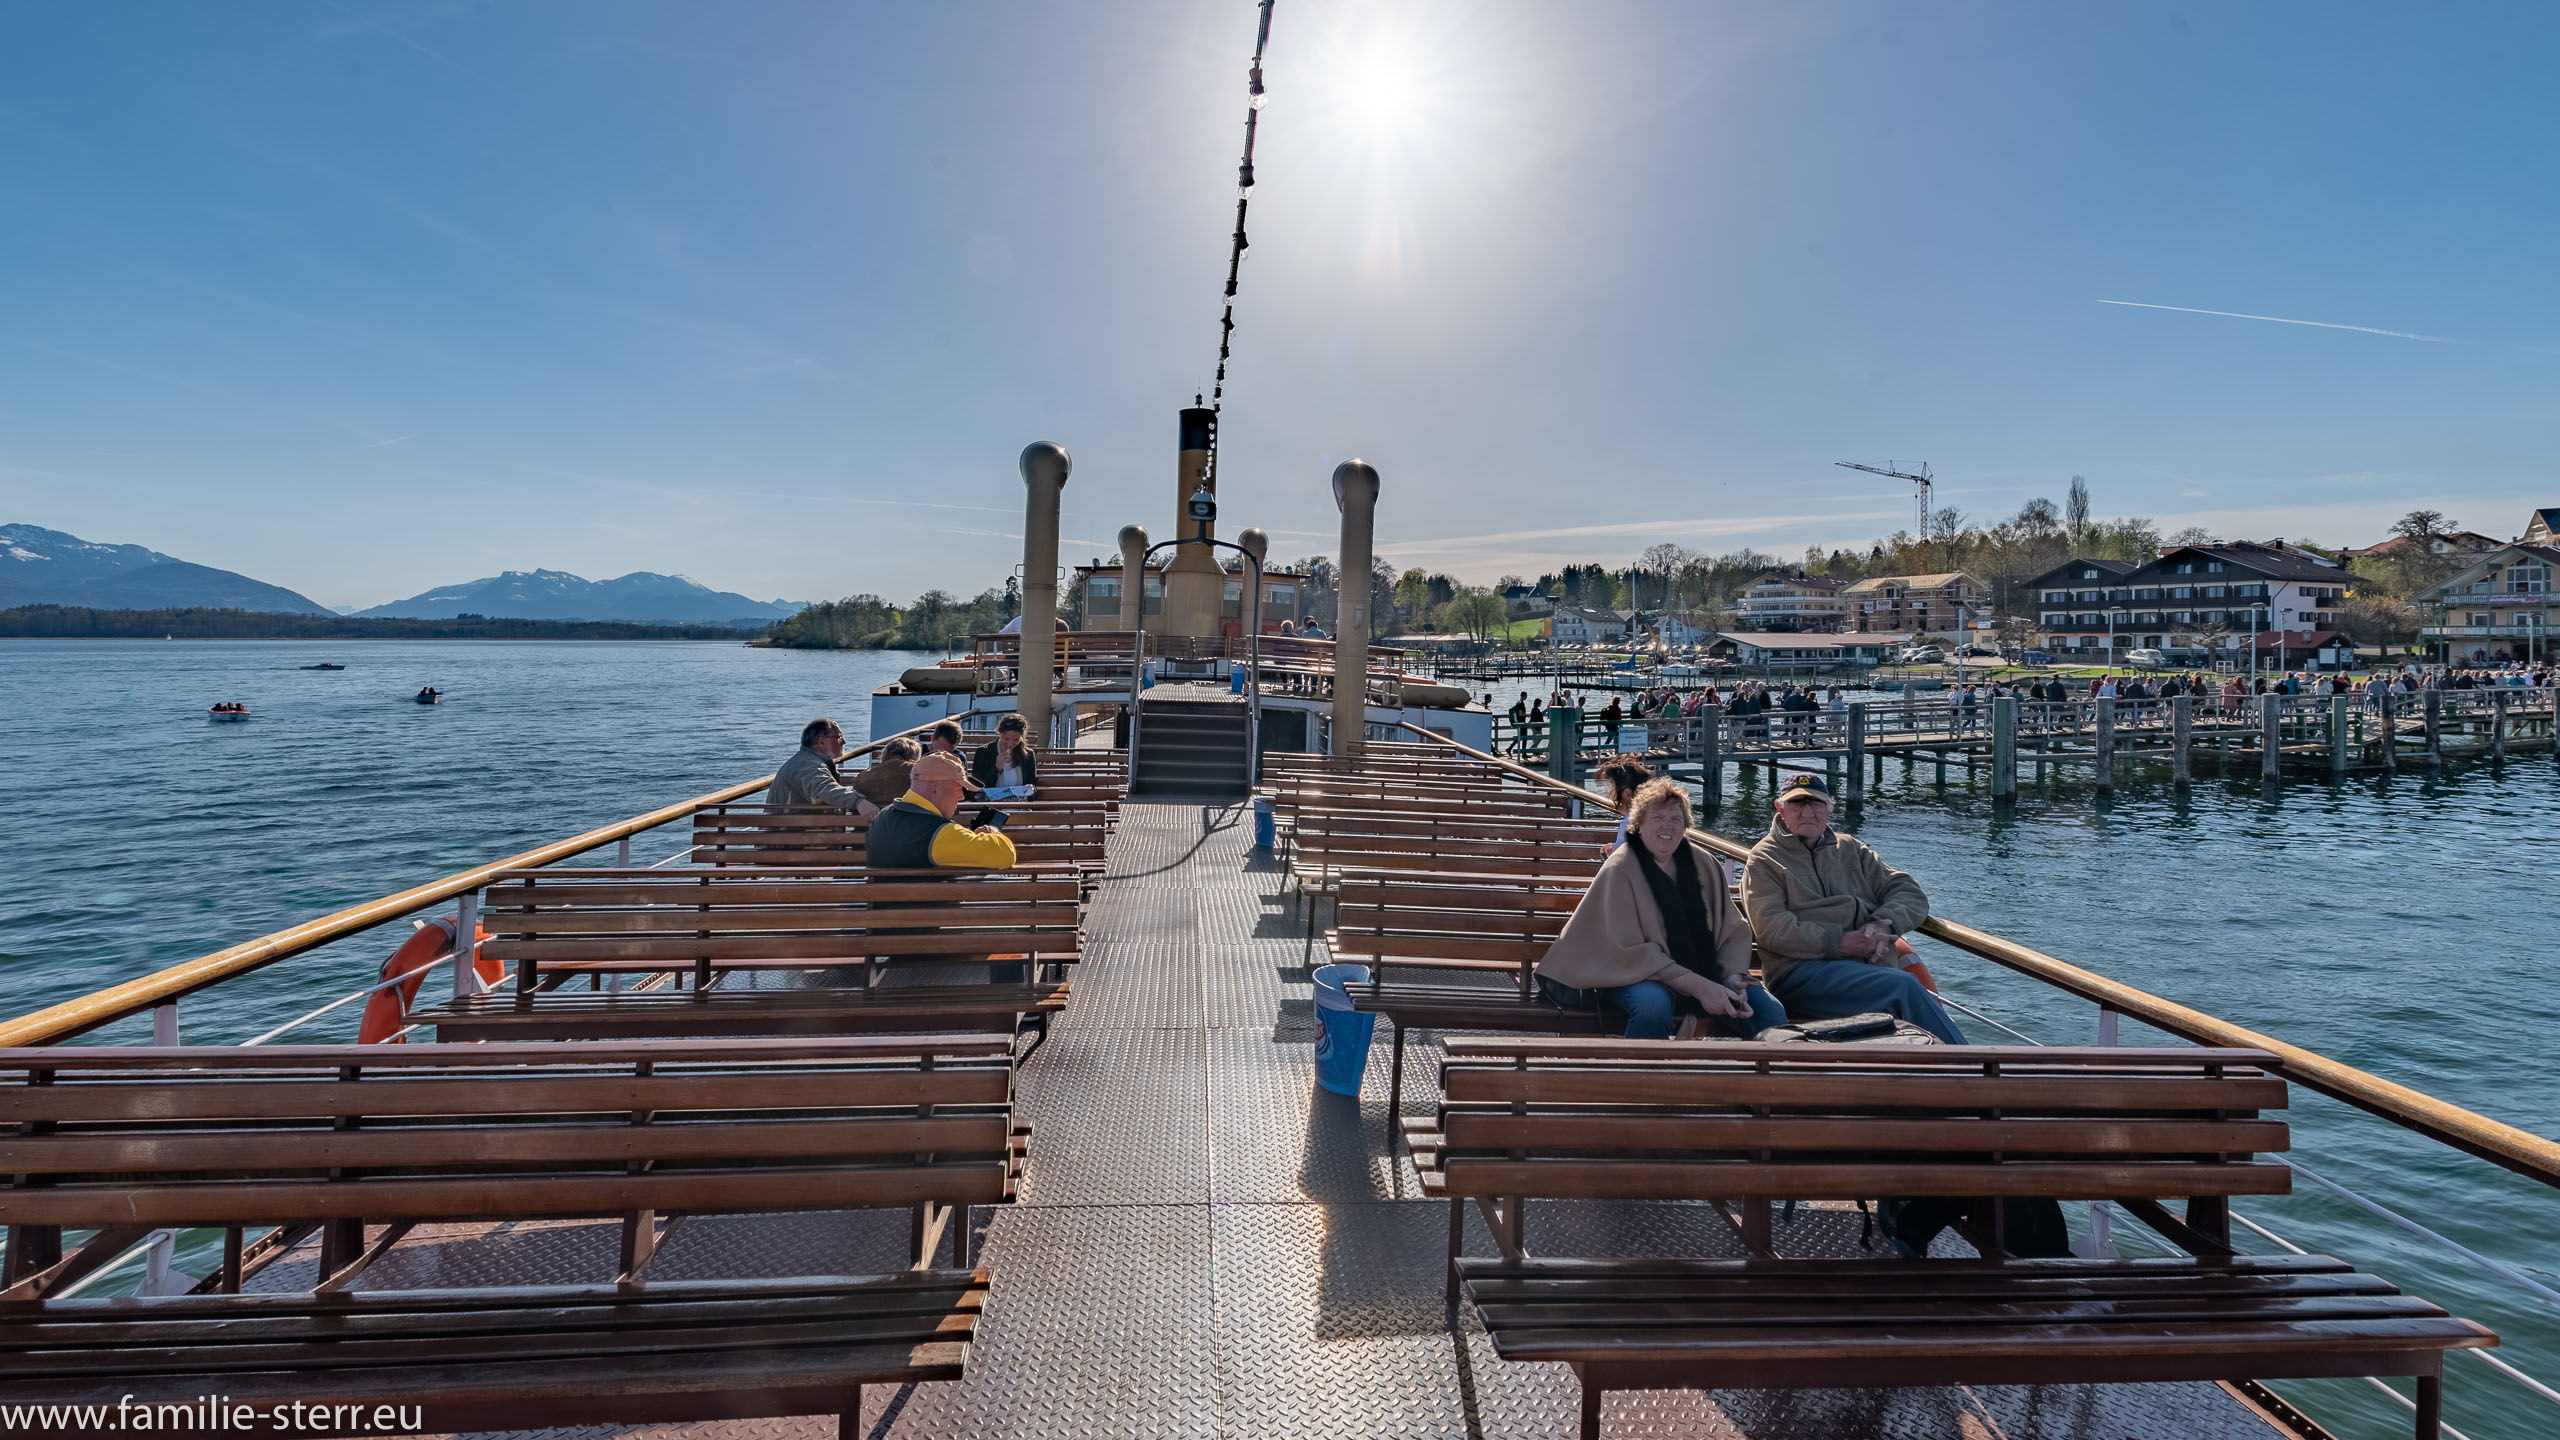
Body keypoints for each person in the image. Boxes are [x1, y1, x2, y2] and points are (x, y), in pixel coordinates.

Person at [1536, 778, 1785, 1039]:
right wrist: (1700, 987)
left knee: (1769, 1012)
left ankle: (1761, 1079)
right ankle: (1646, 1075)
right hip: (1633, 973)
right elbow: (1627, 952)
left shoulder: (1705, 864)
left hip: (1706, 971)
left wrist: (1734, 978)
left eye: (1676, 819)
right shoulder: (1621, 868)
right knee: (1652, 1008)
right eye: (1658, 818)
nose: (1667, 826)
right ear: (1639, 824)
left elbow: (1732, 930)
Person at [1741, 773, 1965, 1044]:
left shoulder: (1850, 849)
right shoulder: (1764, 859)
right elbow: (1773, 929)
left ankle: (1941, 1074)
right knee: (1903, 987)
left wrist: (1884, 923)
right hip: (1801, 974)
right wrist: (1842, 942)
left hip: (1867, 971)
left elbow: (1909, 892)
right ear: (1781, 808)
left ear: (1830, 808)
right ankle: (1976, 1071)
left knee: (1898, 994)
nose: (1808, 812)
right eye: (1798, 804)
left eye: (1816, 803)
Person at [768, 718, 881, 819]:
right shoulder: (808, 765)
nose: (844, 742)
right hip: (792, 835)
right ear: (821, 741)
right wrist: (858, 801)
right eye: (839, 737)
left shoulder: (807, 759)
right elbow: (825, 789)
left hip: (794, 828)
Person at [1591, 755, 1654, 848]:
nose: (1610, 796)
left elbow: (1618, 859)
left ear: (1627, 794)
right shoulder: (1651, 816)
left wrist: (1608, 853)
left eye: (1612, 791)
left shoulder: (1629, 825)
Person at [970, 712, 1040, 795]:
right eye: (1006, 739)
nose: (1010, 744)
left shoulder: (1028, 754)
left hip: (1020, 805)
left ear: (1021, 738)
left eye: (1015, 740)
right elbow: (976, 787)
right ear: (1000, 734)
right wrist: (996, 769)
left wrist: (1031, 788)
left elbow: (1032, 784)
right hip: (992, 805)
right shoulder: (984, 751)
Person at [853, 737, 922, 809]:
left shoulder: (862, 777)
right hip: (910, 817)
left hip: (873, 818)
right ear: (914, 757)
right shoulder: (919, 773)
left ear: (885, 754)